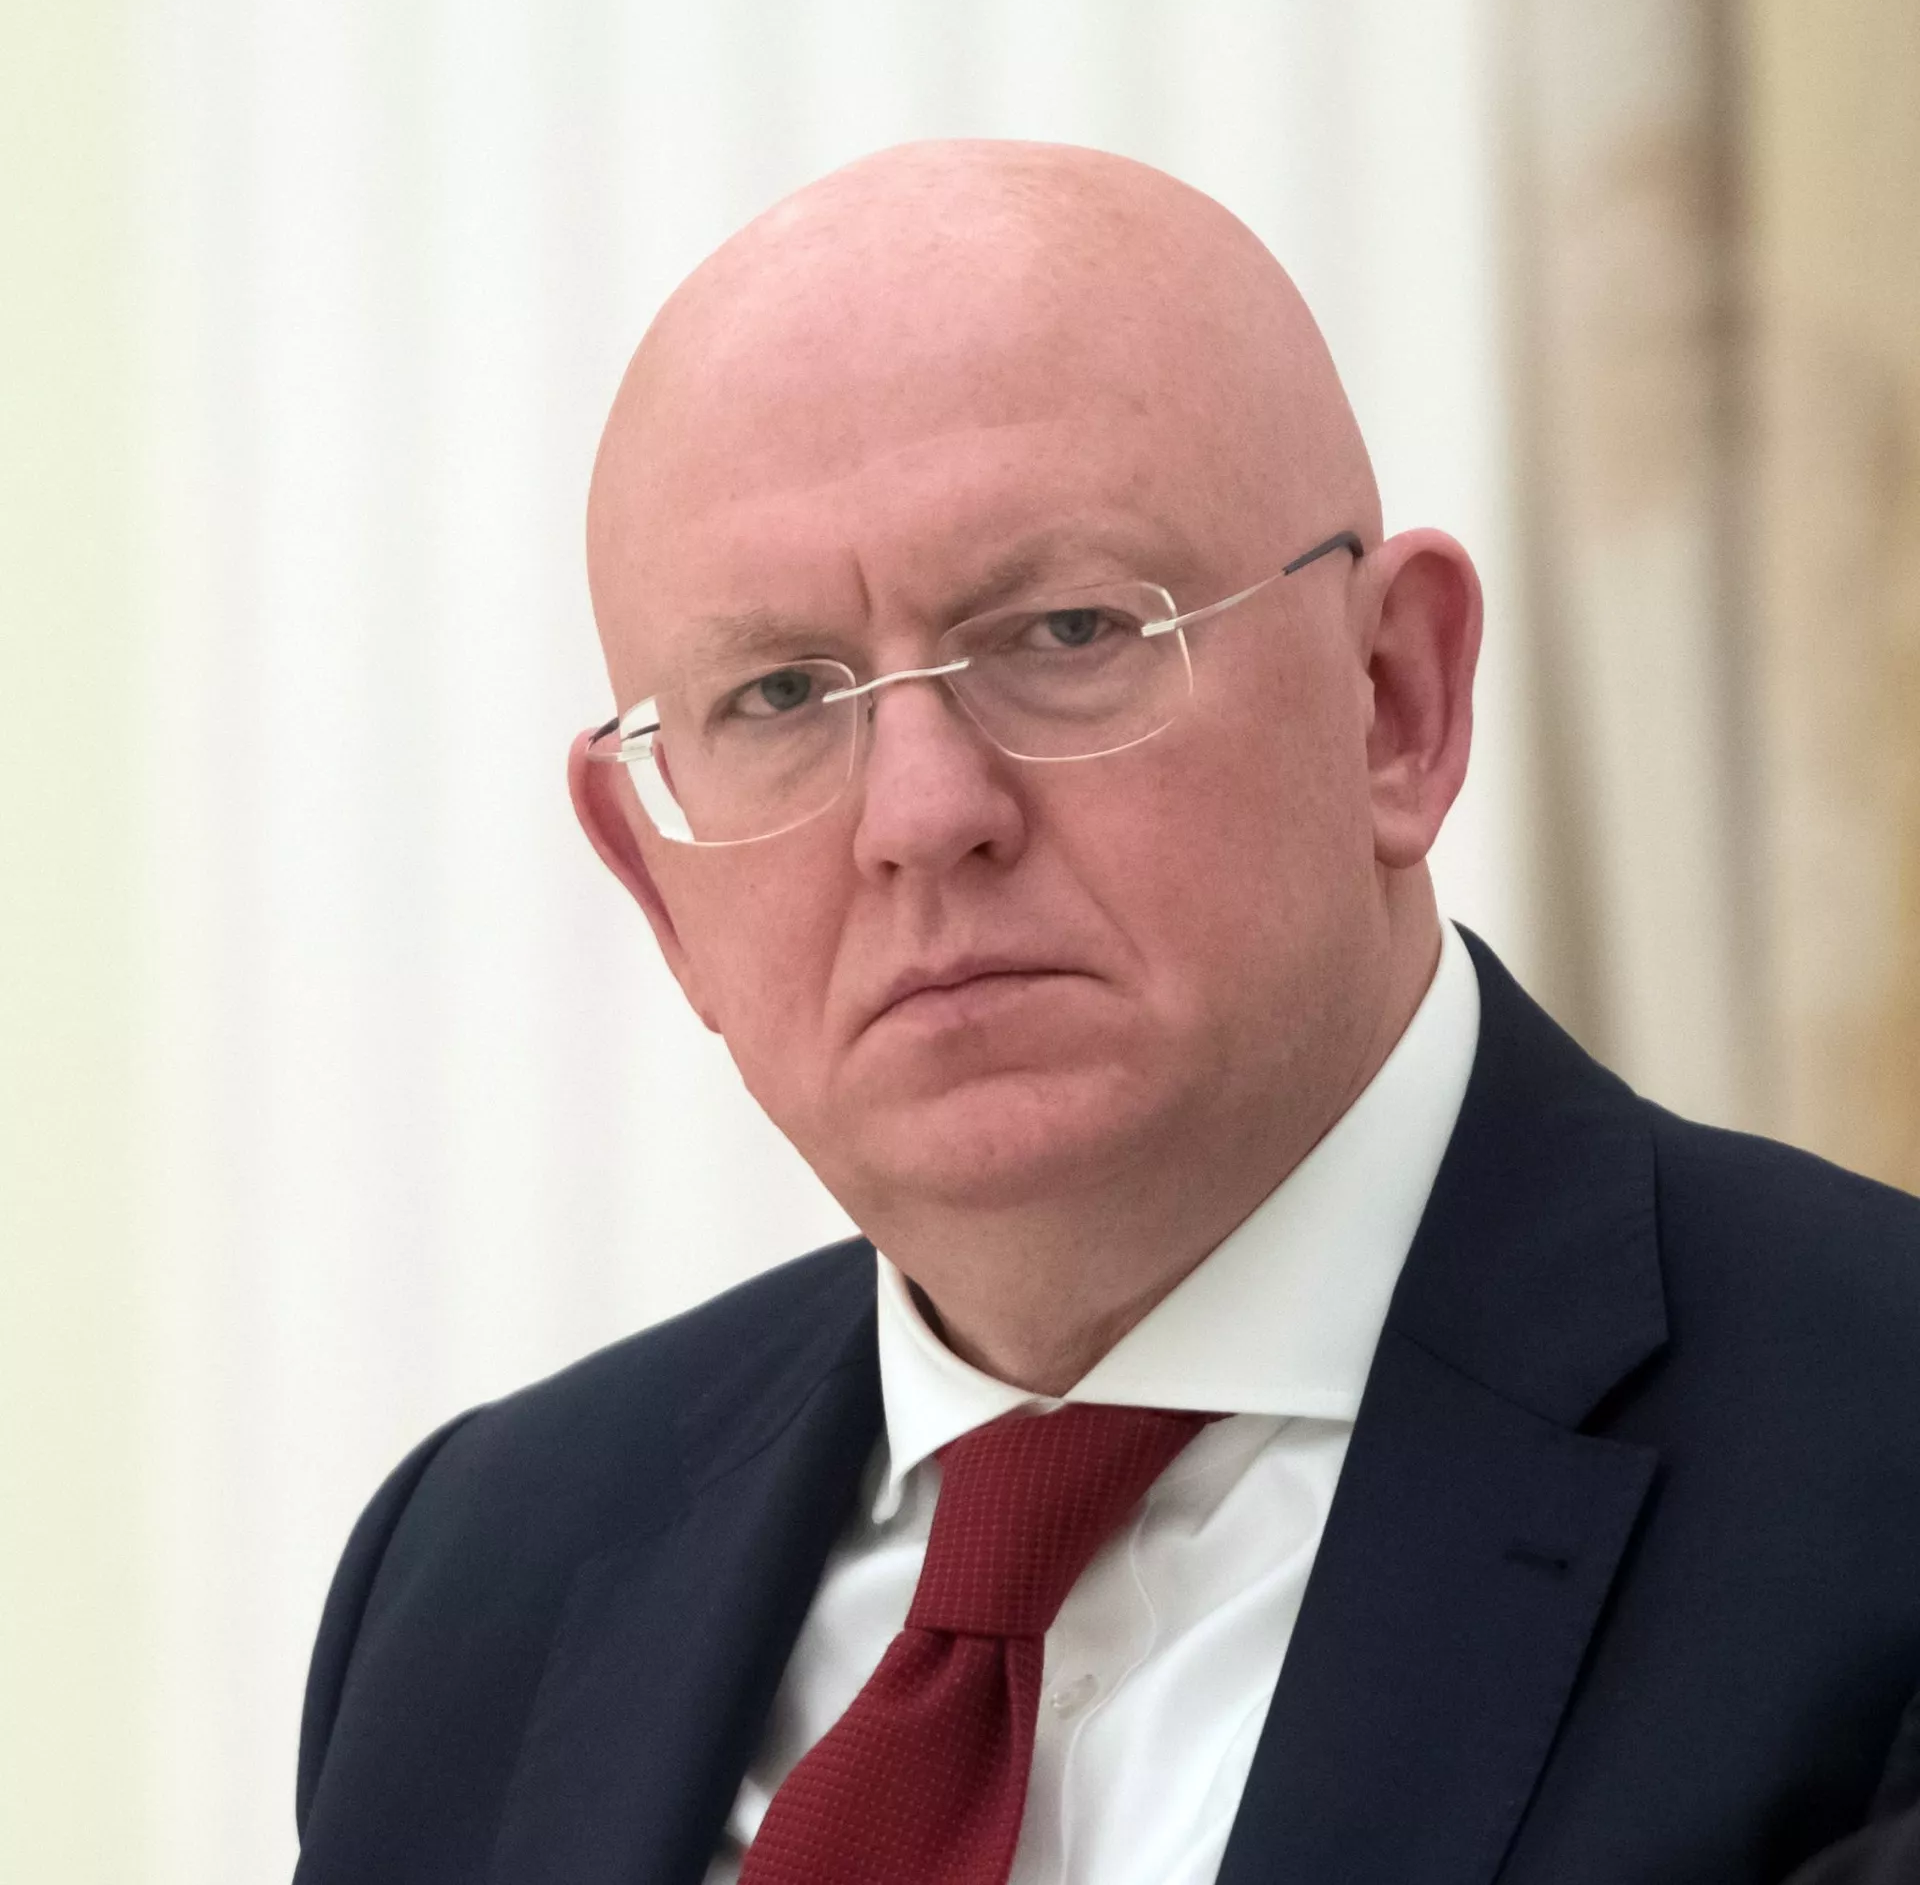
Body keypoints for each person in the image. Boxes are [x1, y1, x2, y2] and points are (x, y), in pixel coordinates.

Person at [290, 142, 1920, 1885]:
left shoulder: (1875, 1474)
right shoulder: (475, 1580)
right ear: (654, 880)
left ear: (1395, 701)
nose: (924, 813)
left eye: (1065, 629)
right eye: (777, 694)